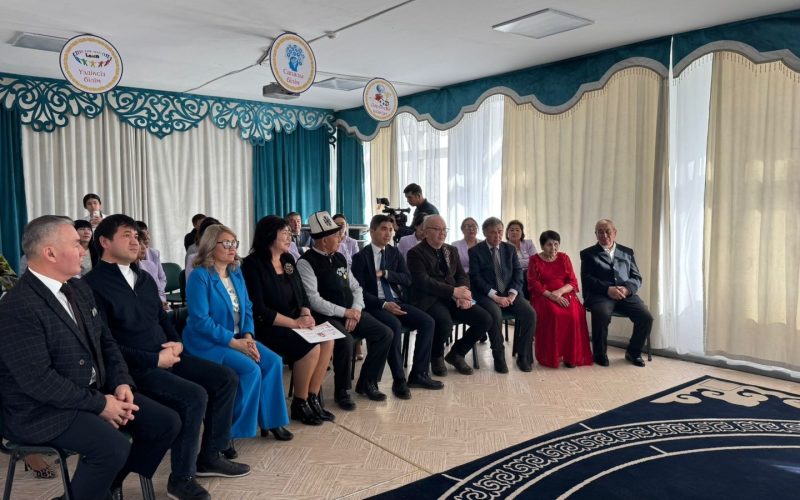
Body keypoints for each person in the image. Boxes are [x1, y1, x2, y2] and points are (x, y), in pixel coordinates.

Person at [0, 216, 180, 500]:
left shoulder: (78, 288)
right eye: (76, 244)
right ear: (50, 253)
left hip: (90, 392)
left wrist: (121, 382)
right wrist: (101, 405)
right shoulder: (18, 305)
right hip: (40, 410)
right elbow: (40, 382)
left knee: (165, 423)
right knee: (111, 447)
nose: (84, 250)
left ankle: (98, 488)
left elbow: (106, 342)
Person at [85, 215, 250, 500]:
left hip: (165, 356)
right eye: (127, 235)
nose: (135, 241)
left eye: (137, 236)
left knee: (225, 378)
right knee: (194, 395)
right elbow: (105, 344)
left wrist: (176, 343)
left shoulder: (143, 278)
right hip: (134, 368)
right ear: (104, 242)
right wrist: (154, 360)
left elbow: (163, 318)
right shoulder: (92, 285)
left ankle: (210, 455)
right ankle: (181, 478)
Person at [183, 223, 293, 441]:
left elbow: (248, 308)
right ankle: (228, 432)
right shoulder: (200, 276)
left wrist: (248, 337)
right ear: (211, 245)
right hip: (209, 343)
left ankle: (272, 421)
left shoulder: (235, 273)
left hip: (238, 338)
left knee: (273, 362)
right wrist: (235, 344)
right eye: (226, 243)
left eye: (234, 243)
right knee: (250, 370)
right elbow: (200, 321)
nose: (232, 247)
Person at [241, 216, 335, 425]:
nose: (289, 237)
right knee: (310, 347)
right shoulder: (252, 265)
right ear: (269, 235)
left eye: (289, 233)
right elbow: (259, 309)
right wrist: (295, 323)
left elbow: (301, 293)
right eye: (284, 233)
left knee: (328, 341)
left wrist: (306, 313)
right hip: (269, 326)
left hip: (295, 320)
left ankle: (312, 397)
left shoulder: (288, 259)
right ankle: (299, 403)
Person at [297, 211, 392, 411]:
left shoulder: (339, 257)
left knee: (385, 333)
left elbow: (356, 287)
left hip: (350, 311)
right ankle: (342, 391)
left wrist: (355, 310)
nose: (341, 238)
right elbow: (313, 300)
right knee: (346, 341)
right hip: (324, 317)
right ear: (323, 240)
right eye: (336, 235)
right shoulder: (306, 262)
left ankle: (367, 382)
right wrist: (344, 312)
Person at [351, 215, 443, 400]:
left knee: (428, 322)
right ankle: (399, 380)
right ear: (372, 231)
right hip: (375, 304)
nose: (388, 233)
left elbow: (408, 279)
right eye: (383, 229)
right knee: (394, 325)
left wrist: (386, 274)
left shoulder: (394, 253)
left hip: (396, 301)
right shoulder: (360, 257)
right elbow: (359, 291)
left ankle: (419, 374)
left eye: (391, 229)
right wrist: (384, 304)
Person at [407, 215, 492, 376]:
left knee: (485, 319)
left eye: (444, 229)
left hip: (453, 296)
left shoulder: (451, 250)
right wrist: (454, 292)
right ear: (425, 232)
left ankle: (457, 353)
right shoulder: (415, 253)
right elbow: (423, 282)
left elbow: (462, 275)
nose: (442, 233)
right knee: (445, 322)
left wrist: (463, 294)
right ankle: (436, 356)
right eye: (437, 229)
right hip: (430, 298)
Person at [580, 219, 653, 367]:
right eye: (600, 232)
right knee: (601, 314)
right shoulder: (588, 254)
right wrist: (608, 289)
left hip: (625, 294)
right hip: (601, 295)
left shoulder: (627, 252)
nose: (604, 235)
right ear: (595, 234)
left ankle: (633, 352)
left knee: (646, 317)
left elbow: (636, 277)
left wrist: (627, 289)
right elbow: (587, 279)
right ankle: (600, 354)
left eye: (608, 231)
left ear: (615, 233)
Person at [468, 217, 536, 373]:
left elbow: (518, 273)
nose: (497, 236)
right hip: (487, 294)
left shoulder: (509, 249)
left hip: (509, 293)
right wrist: (495, 296)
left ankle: (523, 356)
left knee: (530, 314)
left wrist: (512, 294)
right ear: (485, 233)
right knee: (495, 314)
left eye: (499, 232)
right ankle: (498, 357)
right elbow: (476, 278)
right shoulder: (475, 251)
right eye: (493, 232)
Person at [528, 230, 593, 368]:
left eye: (556, 244)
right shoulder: (534, 260)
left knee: (574, 314)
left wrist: (559, 292)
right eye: (549, 244)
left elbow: (573, 281)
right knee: (554, 314)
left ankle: (570, 356)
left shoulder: (564, 258)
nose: (553, 248)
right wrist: (552, 295)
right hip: (543, 295)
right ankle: (553, 356)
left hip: (564, 292)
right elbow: (534, 284)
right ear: (542, 246)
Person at [135, 220, 169, 309]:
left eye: (148, 234)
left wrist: (160, 300)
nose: (147, 238)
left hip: (158, 299)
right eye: (143, 238)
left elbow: (161, 278)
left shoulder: (152, 258)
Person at [506, 220, 537, 299]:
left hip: (531, 271)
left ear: (522, 232)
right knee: (523, 274)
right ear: (507, 233)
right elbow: (510, 265)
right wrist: (527, 262)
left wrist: (520, 263)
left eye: (517, 230)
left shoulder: (529, 243)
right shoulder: (505, 247)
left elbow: (535, 260)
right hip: (515, 273)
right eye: (511, 230)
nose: (514, 232)